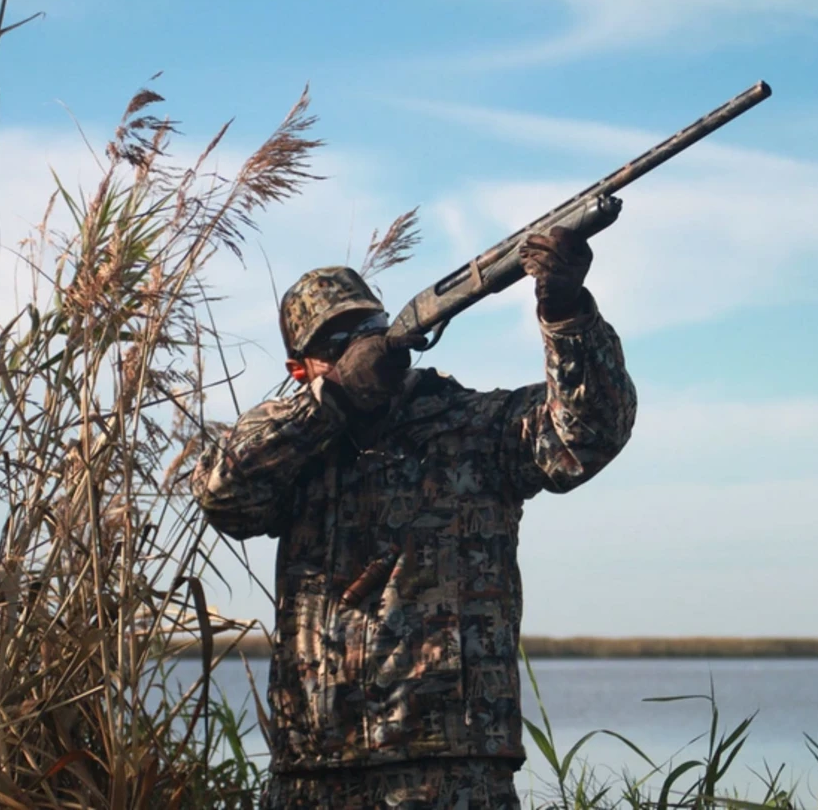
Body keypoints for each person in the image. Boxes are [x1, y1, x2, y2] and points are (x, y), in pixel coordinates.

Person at [192, 226, 637, 809]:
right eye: (336, 343)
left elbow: (589, 433)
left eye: (369, 329)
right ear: (300, 369)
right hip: (312, 769)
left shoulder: (473, 426)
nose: (360, 346)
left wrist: (567, 315)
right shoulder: (295, 450)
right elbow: (223, 495)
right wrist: (332, 400)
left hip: (452, 768)